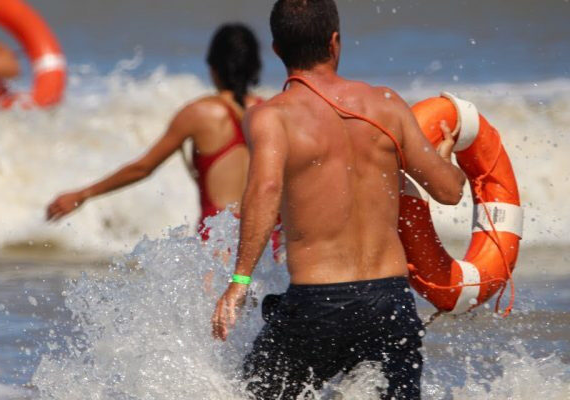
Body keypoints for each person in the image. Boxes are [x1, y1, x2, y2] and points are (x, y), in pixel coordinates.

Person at [211, 1, 467, 399]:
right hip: (391, 303)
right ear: (335, 42)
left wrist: (239, 281)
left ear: (277, 49)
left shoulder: (272, 117)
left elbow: (264, 190)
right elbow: (450, 191)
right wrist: (445, 159)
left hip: (319, 304)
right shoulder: (386, 103)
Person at [46, 24, 264, 241]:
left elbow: (143, 168)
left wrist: (83, 194)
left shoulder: (198, 113)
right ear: (254, 66)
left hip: (220, 239)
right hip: (265, 238)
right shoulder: (269, 112)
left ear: (213, 66)